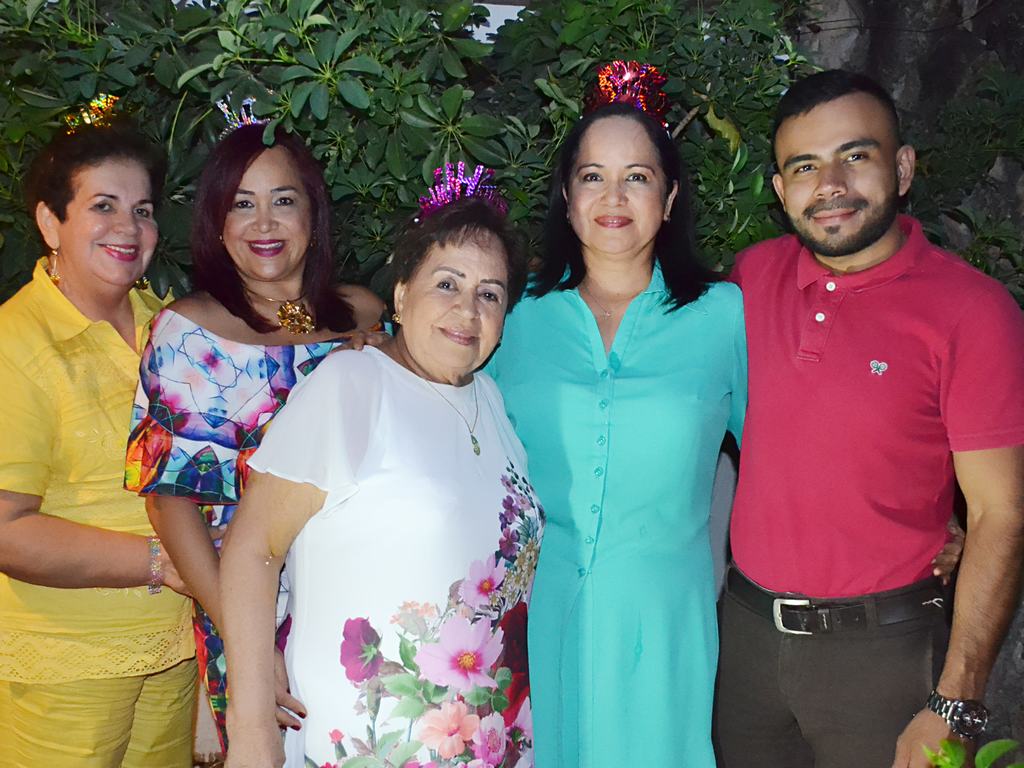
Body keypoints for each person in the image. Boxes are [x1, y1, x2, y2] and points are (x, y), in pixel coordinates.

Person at [714, 69, 1024, 768]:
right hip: (746, 646)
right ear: (780, 191)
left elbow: (1001, 513)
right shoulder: (749, 280)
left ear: (903, 168)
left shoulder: (973, 312)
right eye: (805, 166)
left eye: (855, 155)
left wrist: (956, 701)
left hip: (882, 658)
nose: (830, 184)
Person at [219, 164, 542, 768]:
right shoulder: (351, 384)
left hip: (487, 740)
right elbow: (253, 547)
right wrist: (252, 724)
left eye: (490, 294)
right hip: (370, 742)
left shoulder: (492, 402)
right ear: (400, 294)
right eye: (446, 283)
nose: (467, 309)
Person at [486, 62, 747, 766]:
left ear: (670, 197)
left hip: (663, 624)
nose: (614, 197)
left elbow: (788, 452)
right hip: (532, 614)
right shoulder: (511, 313)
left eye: (637, 176)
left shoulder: (724, 315)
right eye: (593, 176)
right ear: (567, 197)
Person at [124, 122, 385, 750]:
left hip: (367, 593)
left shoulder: (366, 314)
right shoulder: (188, 332)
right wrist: (249, 643)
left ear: (313, 216)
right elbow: (169, 503)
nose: (264, 222)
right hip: (251, 609)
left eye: (283, 200)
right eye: (242, 203)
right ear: (217, 222)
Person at [0, 117, 196, 767]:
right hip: (65, 665)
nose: (127, 228)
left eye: (142, 210)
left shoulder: (169, 327)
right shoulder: (16, 343)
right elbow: (6, 531)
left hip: (173, 650)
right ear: (50, 223)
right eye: (102, 206)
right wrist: (162, 561)